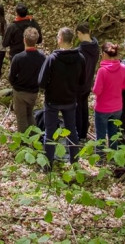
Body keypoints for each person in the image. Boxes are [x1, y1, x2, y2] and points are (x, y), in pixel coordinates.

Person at [38, 27, 86, 166]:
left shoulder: (52, 59)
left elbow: (41, 82)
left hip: (53, 101)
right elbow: (82, 81)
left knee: (50, 132)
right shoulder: (80, 58)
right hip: (70, 99)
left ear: (60, 39)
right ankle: (75, 162)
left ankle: (48, 165)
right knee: (72, 131)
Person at [93, 42, 125, 152]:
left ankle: (99, 158)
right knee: (113, 134)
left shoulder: (102, 71)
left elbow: (96, 91)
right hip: (117, 107)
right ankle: (113, 156)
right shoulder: (123, 67)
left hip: (102, 108)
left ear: (104, 54)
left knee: (100, 135)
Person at [8, 27, 45, 133]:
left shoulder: (18, 58)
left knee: (21, 119)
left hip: (20, 92)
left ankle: (24, 144)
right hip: (34, 91)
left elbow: (11, 76)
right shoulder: (42, 57)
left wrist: (15, 84)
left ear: (24, 40)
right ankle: (34, 140)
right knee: (29, 114)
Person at [75, 23, 100, 141]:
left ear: (79, 33)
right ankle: (83, 132)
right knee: (83, 107)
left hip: (80, 83)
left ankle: (80, 134)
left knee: (79, 109)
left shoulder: (80, 51)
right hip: (88, 82)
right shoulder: (95, 46)